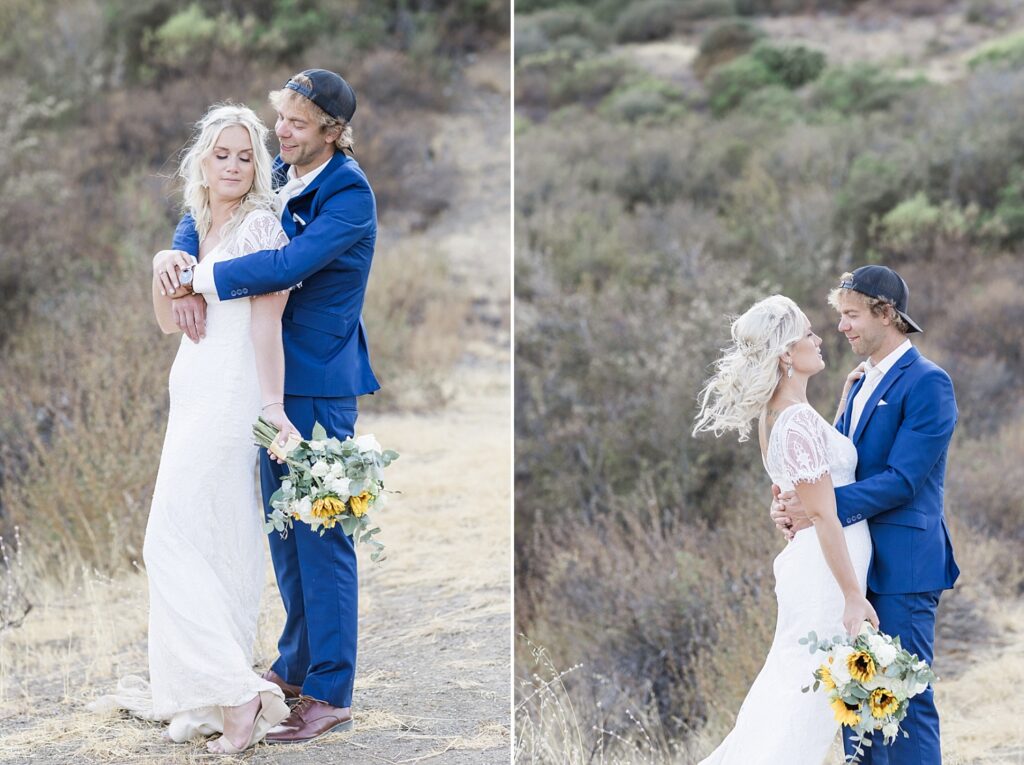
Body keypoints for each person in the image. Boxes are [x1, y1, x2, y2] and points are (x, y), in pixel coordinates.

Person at [155, 68, 379, 744]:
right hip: (263, 386)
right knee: (284, 536)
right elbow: (211, 209)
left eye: (298, 123)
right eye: (281, 117)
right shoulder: (283, 175)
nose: (281, 130)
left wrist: (199, 277)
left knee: (325, 533)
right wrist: (179, 251)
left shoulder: (349, 196)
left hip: (319, 386)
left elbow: (284, 267)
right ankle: (293, 666)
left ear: (333, 133)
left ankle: (331, 692)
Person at [91, 103, 294, 753]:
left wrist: (272, 406)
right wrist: (161, 264)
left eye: (245, 156)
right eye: (222, 154)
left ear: (256, 166)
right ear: (201, 162)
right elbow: (166, 320)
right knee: (212, 541)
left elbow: (267, 322)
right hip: (191, 393)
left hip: (233, 399)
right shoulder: (197, 225)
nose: (233, 165)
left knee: (168, 539)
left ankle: (239, 694)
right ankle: (217, 694)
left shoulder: (262, 227)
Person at [771, 266, 959, 764]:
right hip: (850, 567)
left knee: (904, 703)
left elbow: (903, 479)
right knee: (860, 708)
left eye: (852, 315)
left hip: (904, 566)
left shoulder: (928, 383)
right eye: (840, 316)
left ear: (886, 313)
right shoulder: (857, 384)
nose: (842, 327)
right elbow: (837, 470)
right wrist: (795, 504)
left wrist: (818, 511)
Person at [692, 294, 877, 764]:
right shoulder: (794, 422)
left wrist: (839, 407)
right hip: (826, 577)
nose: (820, 339)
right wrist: (854, 596)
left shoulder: (784, 416)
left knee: (794, 691)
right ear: (786, 355)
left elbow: (819, 473)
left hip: (817, 566)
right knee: (803, 705)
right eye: (808, 334)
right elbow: (822, 513)